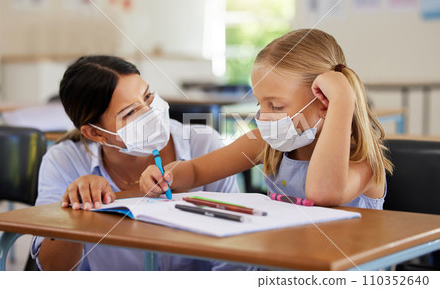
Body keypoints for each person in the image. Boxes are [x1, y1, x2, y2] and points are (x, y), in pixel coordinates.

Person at [140, 29, 394, 209]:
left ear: (324, 103)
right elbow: (197, 171)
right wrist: (167, 175)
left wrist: (343, 101)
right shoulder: (267, 143)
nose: (263, 115)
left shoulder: (365, 164)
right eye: (260, 103)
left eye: (276, 105)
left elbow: (321, 193)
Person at [31, 55, 243, 271]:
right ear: (95, 133)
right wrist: (76, 209)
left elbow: (235, 251)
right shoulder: (64, 162)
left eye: (148, 96)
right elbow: (54, 269)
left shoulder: (203, 144)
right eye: (130, 112)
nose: (150, 112)